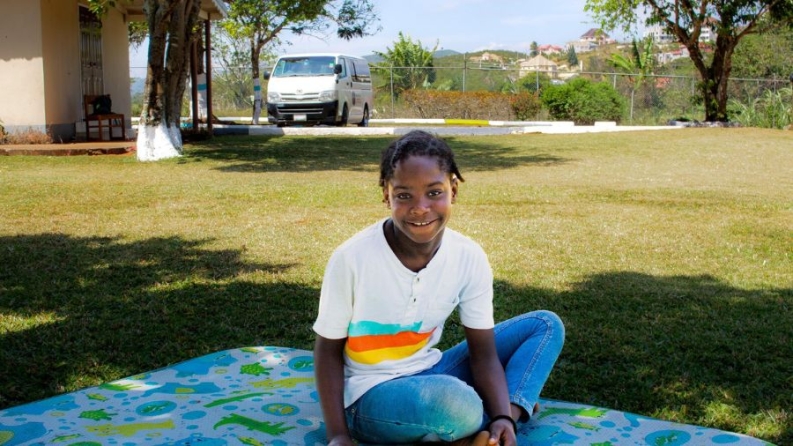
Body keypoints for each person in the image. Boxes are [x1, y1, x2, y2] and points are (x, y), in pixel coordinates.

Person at [313, 130, 565, 445]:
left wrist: (502, 416)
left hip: (431, 370)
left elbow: (483, 354)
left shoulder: (468, 256)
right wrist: (338, 434)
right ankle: (501, 410)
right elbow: (327, 352)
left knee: (544, 326)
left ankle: (501, 423)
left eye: (434, 192)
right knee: (455, 403)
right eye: (404, 195)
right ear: (386, 194)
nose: (420, 208)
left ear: (453, 190)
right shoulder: (352, 258)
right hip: (368, 395)